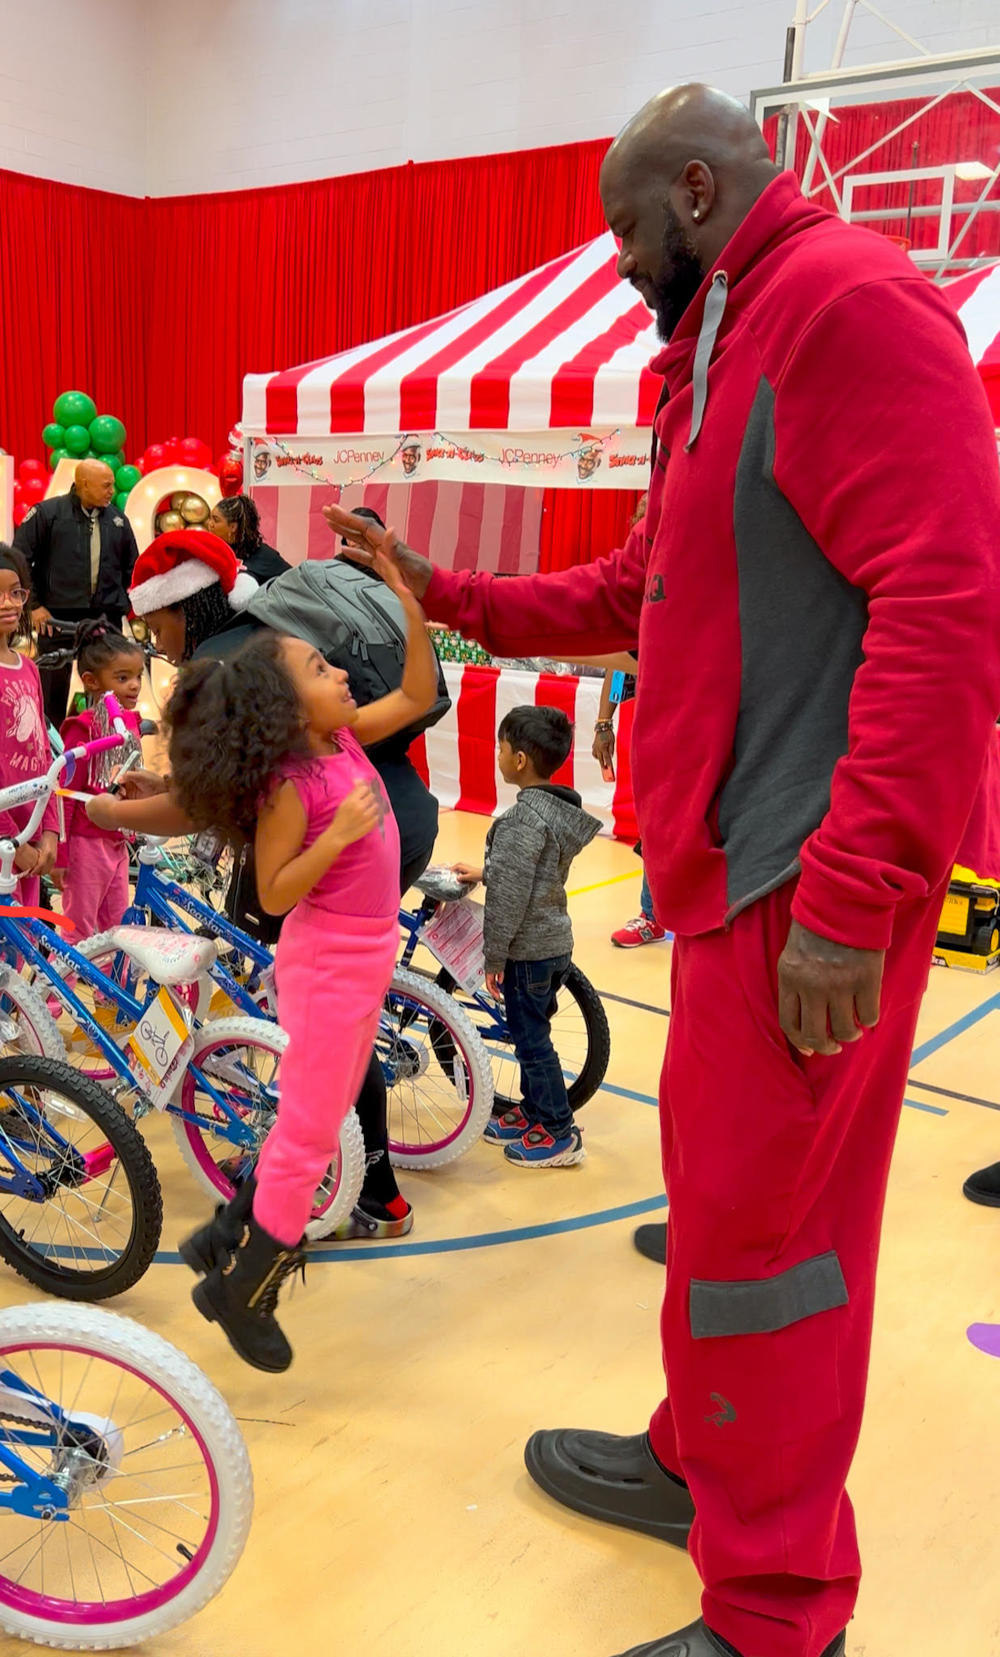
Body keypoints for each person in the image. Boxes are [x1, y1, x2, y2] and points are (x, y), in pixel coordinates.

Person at [324, 83, 1000, 1657]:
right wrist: (454, 588)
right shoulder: (719, 345)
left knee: (774, 1255)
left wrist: (855, 892)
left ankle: (776, 1608)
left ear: (695, 192)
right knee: (719, 1214)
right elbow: (652, 583)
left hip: (801, 885)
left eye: (630, 228)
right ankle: (704, 1463)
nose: (621, 262)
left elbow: (950, 601)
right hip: (723, 875)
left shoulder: (843, 306)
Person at [89, 528, 426, 1241]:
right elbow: (221, 784)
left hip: (340, 843)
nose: (160, 644)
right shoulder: (274, 631)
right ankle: (357, 1187)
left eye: (159, 626)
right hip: (390, 820)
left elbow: (203, 804)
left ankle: (342, 1186)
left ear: (186, 608)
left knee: (322, 1045)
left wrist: (115, 809)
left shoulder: (234, 666)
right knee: (338, 1037)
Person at [163, 554, 437, 1372]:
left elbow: (419, 695)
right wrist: (343, 836)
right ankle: (244, 1287)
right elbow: (276, 895)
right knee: (314, 1131)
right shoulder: (292, 782)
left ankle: (224, 1230)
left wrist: (406, 601)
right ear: (285, 708)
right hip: (325, 969)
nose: (343, 672)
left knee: (315, 1117)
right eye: (320, 667)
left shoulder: (342, 738)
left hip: (361, 960)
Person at [454, 705, 599, 1167]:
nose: (496, 754)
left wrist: (494, 957)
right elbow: (532, 876)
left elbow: (511, 898)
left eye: (500, 747)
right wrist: (487, 870)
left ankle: (559, 1131)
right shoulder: (555, 812)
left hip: (527, 951)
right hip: (554, 942)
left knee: (532, 1041)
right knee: (532, 1032)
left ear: (519, 760)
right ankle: (535, 1110)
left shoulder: (522, 821)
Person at [14, 459, 139, 725]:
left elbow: (132, 567)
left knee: (108, 689)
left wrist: (124, 604)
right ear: (84, 483)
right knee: (52, 691)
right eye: (106, 486)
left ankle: (107, 745)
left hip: (105, 619)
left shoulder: (118, 520)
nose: (111, 491)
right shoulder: (48, 514)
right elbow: (19, 560)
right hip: (56, 618)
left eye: (113, 485)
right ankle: (51, 752)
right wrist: (33, 606)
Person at [58, 621, 145, 940]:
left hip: (117, 841)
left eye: (138, 675)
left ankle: (106, 991)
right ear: (92, 681)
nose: (135, 686)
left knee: (118, 929)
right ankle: (57, 990)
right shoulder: (82, 729)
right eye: (122, 678)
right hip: (86, 843)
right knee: (78, 928)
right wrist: (62, 852)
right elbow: (64, 793)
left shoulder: (130, 725)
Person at [592, 664, 666, 949]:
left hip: (703, 717)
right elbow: (620, 659)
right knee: (653, 817)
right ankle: (652, 915)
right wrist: (603, 723)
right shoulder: (644, 620)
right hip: (655, 721)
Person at [0, 547, 58, 906]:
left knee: (20, 951)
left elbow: (43, 755)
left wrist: (49, 830)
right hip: (7, 841)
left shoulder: (29, 669)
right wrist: (8, 840)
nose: (7, 602)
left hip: (30, 837)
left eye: (15, 591)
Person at [207, 494, 291, 586]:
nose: (210, 524)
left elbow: (296, 585)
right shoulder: (215, 551)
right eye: (210, 518)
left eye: (216, 520)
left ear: (233, 527)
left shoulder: (266, 556)